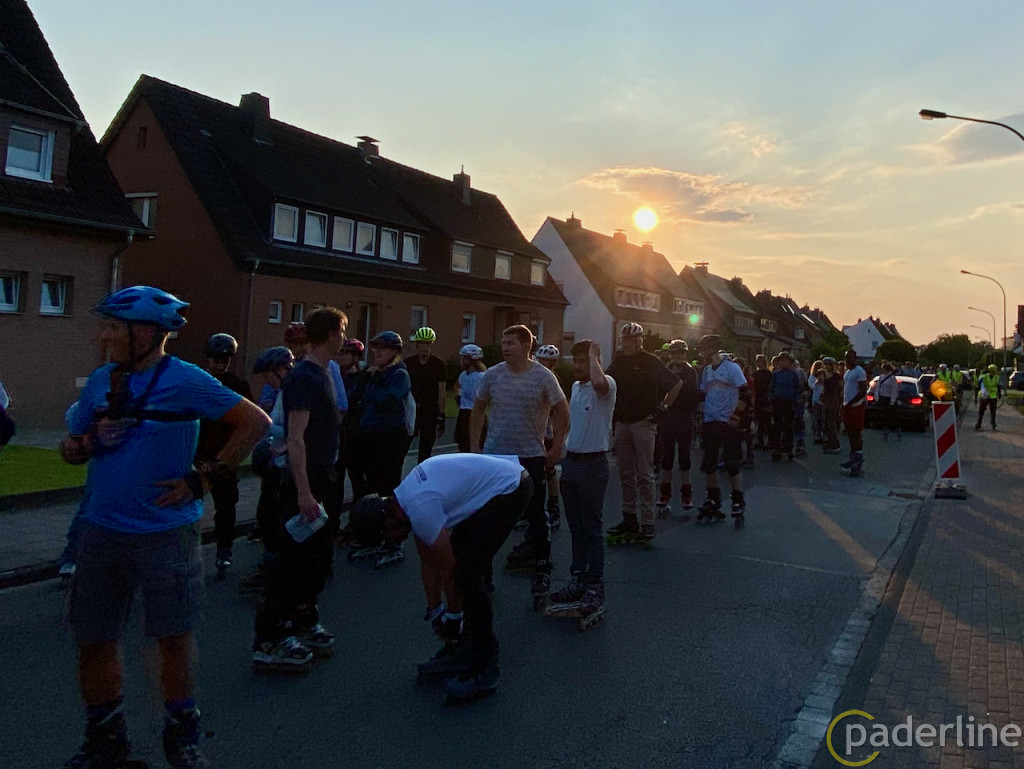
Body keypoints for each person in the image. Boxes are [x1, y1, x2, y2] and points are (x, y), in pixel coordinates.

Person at [59, 286, 269, 769]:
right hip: (100, 529)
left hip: (165, 533)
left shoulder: (185, 380)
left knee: (172, 639)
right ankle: (105, 738)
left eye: (115, 326)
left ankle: (182, 735)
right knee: (94, 637)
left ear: (149, 333)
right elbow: (71, 446)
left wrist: (203, 477)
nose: (105, 335)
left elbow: (255, 423)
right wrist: (82, 443)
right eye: (106, 325)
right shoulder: (101, 381)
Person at [348, 453, 533, 704]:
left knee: (467, 575)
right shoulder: (405, 501)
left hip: (511, 487)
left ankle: (485, 665)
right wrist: (435, 610)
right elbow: (428, 561)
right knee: (460, 559)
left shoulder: (420, 510)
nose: (393, 542)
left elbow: (450, 571)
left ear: (389, 523)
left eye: (387, 537)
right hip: (494, 484)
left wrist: (453, 619)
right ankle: (464, 649)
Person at [252, 308, 347, 672]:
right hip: (305, 483)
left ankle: (304, 619)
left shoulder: (324, 372)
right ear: (331, 334)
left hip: (324, 476)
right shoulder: (304, 377)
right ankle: (270, 637)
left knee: (316, 558)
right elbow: (295, 438)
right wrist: (304, 492)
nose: (344, 338)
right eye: (342, 331)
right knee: (292, 560)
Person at [470, 325, 568, 604]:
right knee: (487, 516)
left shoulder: (543, 376)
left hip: (530, 455)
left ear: (527, 346)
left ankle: (542, 565)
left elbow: (562, 410)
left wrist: (557, 446)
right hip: (496, 456)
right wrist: (475, 445)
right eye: (503, 342)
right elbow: (477, 408)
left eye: (511, 343)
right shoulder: (492, 375)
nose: (505, 347)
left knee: (536, 513)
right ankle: (484, 571)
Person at [545, 340, 616, 628]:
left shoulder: (607, 384)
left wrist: (594, 355)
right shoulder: (575, 387)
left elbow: (599, 384)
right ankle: (578, 579)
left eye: (583, 361)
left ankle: (595, 584)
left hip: (594, 463)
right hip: (572, 462)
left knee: (592, 527)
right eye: (574, 361)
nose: (577, 366)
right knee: (575, 526)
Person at [604, 323, 682, 542]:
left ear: (639, 341)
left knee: (645, 474)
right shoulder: (619, 362)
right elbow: (606, 384)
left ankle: (648, 521)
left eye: (631, 340)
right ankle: (629, 517)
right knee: (626, 473)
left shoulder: (650, 361)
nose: (627, 344)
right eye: (625, 340)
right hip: (623, 422)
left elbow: (676, 384)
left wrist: (662, 409)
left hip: (643, 423)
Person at [196, 333, 254, 576]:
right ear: (208, 358)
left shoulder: (237, 386)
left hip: (224, 455)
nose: (221, 364)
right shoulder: (198, 382)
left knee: (226, 506)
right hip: (197, 454)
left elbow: (250, 420)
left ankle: (224, 550)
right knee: (189, 505)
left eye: (225, 360)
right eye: (216, 360)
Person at [238, 346, 294, 596]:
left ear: (281, 370)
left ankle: (276, 569)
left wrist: (266, 426)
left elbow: (293, 432)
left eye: (269, 375)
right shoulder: (282, 393)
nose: (267, 381)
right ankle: (273, 563)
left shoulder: (292, 395)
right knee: (267, 516)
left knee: (273, 518)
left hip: (285, 465)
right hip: (275, 462)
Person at [695, 335, 749, 526]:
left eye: (704, 350)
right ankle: (713, 498)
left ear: (712, 350)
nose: (701, 353)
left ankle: (737, 499)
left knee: (732, 463)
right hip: (710, 420)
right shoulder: (707, 370)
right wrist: (699, 416)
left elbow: (745, 393)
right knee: (709, 463)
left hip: (727, 422)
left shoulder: (732, 368)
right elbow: (704, 395)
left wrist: (736, 417)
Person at [359, 331, 411, 495]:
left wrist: (377, 383)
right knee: (370, 483)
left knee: (387, 485)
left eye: (384, 348)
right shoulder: (375, 373)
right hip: (370, 434)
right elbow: (357, 400)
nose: (378, 352)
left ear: (395, 351)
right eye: (376, 347)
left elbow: (389, 403)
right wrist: (363, 380)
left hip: (389, 436)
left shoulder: (399, 374)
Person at [655, 339, 699, 515]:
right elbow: (659, 392)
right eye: (675, 353)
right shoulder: (665, 371)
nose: (678, 356)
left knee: (684, 457)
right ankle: (665, 494)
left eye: (681, 353)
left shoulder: (691, 372)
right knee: (666, 457)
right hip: (668, 417)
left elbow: (692, 394)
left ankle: (686, 494)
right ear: (671, 355)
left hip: (684, 416)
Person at [405, 327, 447, 464]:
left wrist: (441, 416)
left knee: (425, 451)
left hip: (430, 411)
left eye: (428, 344)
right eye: (422, 344)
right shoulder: (408, 363)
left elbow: (442, 392)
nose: (425, 348)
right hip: (412, 410)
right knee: (402, 446)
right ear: (417, 345)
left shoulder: (438, 364)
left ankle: (422, 475)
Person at [534, 343, 564, 530]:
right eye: (539, 360)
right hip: (533, 431)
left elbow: (559, 409)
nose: (540, 364)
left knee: (549, 471)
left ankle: (554, 507)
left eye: (544, 361)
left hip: (547, 431)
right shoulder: (534, 377)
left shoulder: (553, 380)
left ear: (552, 363)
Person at [769, 352, 801, 462]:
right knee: (777, 426)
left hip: (789, 402)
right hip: (777, 402)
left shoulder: (793, 374)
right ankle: (776, 449)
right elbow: (772, 388)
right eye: (781, 360)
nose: (783, 362)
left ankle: (788, 449)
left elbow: (797, 388)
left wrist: (796, 402)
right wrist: (771, 400)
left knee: (788, 427)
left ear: (789, 362)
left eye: (785, 360)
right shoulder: (776, 374)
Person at [454, 344, 486, 453]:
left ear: (469, 359)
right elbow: (458, 390)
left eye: (463, 358)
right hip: (464, 412)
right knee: (463, 444)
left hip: (474, 412)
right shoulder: (463, 375)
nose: (461, 361)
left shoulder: (481, 377)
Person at [840, 350, 868, 476]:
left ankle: (858, 459)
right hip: (847, 405)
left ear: (855, 358)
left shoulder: (859, 371)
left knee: (856, 432)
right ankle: (853, 457)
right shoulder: (847, 372)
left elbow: (863, 390)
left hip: (856, 406)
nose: (847, 360)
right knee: (850, 432)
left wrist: (851, 402)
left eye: (850, 357)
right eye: (846, 357)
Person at [876, 363, 901, 441]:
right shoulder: (881, 377)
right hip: (882, 398)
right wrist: (877, 397)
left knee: (891, 417)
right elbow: (877, 387)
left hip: (889, 399)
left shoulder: (892, 378)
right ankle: (885, 432)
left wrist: (892, 402)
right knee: (884, 417)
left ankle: (896, 432)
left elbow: (894, 390)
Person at [752, 354, 772, 451]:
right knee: (760, 421)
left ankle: (769, 441)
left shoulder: (768, 374)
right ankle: (760, 440)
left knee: (767, 421)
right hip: (759, 399)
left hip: (766, 399)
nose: (757, 363)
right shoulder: (756, 374)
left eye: (759, 361)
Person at [976, 364, 1002, 431]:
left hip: (993, 396)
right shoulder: (984, 377)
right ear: (990, 371)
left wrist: (999, 394)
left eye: (994, 372)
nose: (993, 373)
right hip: (985, 395)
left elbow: (998, 386)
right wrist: (979, 394)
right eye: (992, 372)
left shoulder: (996, 377)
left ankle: (993, 423)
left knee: (993, 411)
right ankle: (979, 423)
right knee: (981, 410)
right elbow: (979, 385)